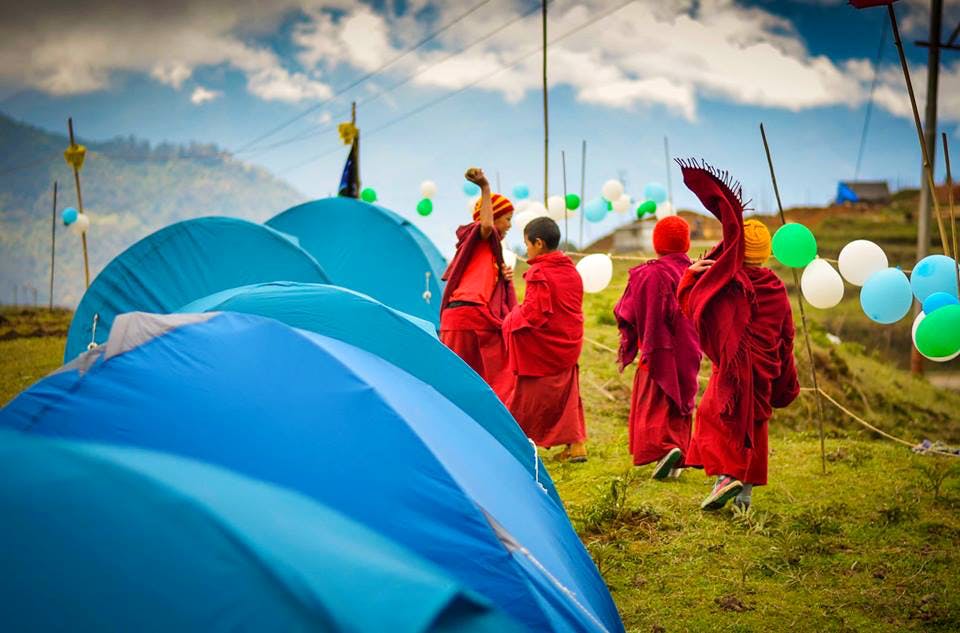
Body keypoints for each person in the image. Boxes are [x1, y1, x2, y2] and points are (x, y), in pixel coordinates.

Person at [675, 159, 800, 511]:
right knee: (753, 429)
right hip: (763, 372)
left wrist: (690, 276)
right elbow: (786, 336)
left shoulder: (726, 284)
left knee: (717, 419)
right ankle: (743, 496)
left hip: (731, 373)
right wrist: (785, 377)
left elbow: (693, 307)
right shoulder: (775, 287)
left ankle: (725, 479)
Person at [613, 216, 701, 479]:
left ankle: (664, 449)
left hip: (657, 350)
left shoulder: (648, 273)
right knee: (681, 398)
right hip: (690, 349)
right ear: (685, 243)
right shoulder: (696, 271)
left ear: (657, 243)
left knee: (654, 402)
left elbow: (625, 311)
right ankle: (677, 459)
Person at [503, 217, 587, 462]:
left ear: (538, 243)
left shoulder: (539, 272)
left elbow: (533, 313)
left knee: (527, 399)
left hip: (545, 350)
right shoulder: (570, 268)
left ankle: (516, 442)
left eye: (527, 244)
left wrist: (508, 322)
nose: (526, 249)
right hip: (569, 343)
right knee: (568, 396)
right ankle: (576, 444)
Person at [439, 167, 516, 404]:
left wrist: (503, 276)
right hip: (466, 316)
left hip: (467, 317)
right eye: (507, 219)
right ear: (493, 216)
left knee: (473, 379)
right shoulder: (480, 236)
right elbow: (486, 227)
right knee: (465, 380)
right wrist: (485, 187)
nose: (510, 225)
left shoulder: (492, 252)